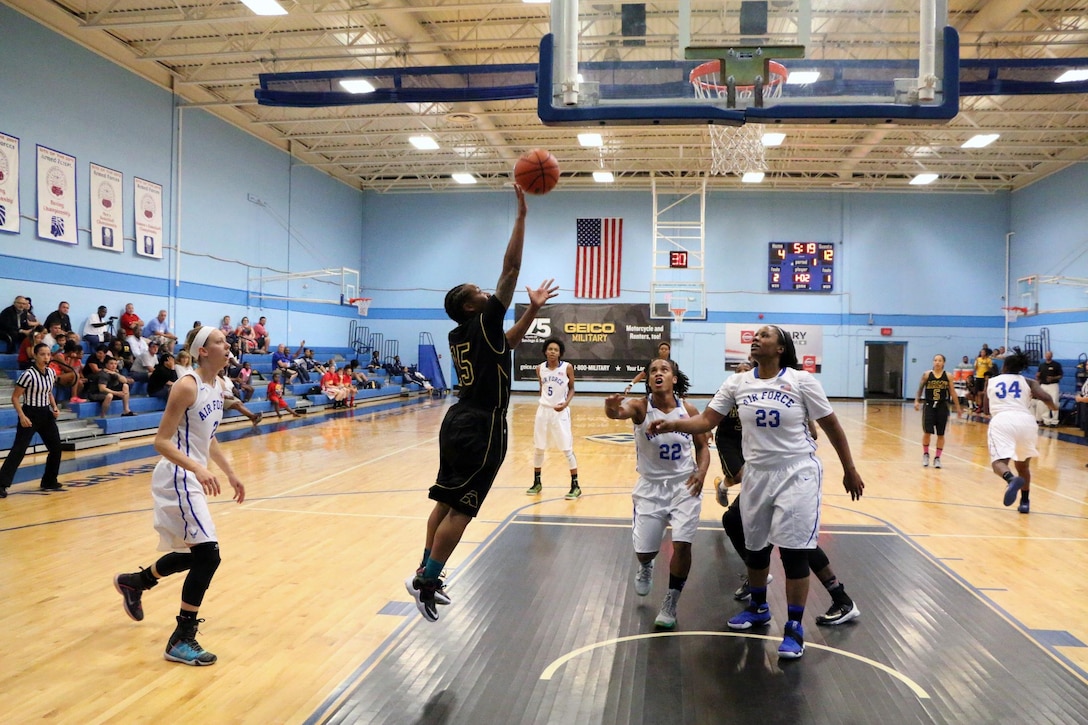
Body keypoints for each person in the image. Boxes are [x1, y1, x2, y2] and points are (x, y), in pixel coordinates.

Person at [648, 324, 865, 659]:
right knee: (756, 546)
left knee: (794, 552)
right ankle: (759, 607)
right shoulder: (737, 383)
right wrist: (673, 423)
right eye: (756, 335)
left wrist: (849, 469)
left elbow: (831, 425)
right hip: (757, 475)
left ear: (780, 348)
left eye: (765, 335)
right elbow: (706, 420)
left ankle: (794, 628)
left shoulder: (801, 381)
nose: (756, 338)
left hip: (797, 473)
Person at [405, 185, 558, 623]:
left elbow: (508, 344)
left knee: (445, 502)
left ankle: (423, 567)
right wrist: (522, 216)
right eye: (480, 291)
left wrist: (531, 310)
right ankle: (429, 581)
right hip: (483, 423)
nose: (488, 292)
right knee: (464, 508)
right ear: (471, 305)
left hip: (458, 419)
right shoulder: (482, 318)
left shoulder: (463, 333)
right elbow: (510, 267)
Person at [112, 326, 245, 666]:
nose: (226, 345)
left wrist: (229, 472)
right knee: (209, 555)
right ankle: (181, 639)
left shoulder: (219, 386)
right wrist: (198, 469)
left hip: (192, 475)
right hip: (177, 476)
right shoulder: (187, 385)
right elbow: (161, 441)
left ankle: (135, 582)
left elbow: (208, 437)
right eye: (219, 341)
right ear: (202, 351)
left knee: (195, 555)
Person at [712, 361, 860, 626]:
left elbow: (815, 431)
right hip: (756, 469)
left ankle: (838, 598)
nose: (742, 374)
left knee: (795, 543)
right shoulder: (734, 397)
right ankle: (758, 579)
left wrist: (847, 466)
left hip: (786, 473)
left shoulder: (789, 389)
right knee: (740, 524)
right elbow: (716, 431)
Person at [604, 357, 709, 630]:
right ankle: (646, 564)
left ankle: (671, 602)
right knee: (644, 552)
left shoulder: (688, 408)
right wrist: (611, 408)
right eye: (653, 371)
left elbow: (703, 447)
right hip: (651, 487)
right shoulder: (641, 407)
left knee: (683, 543)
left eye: (664, 370)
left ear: (674, 378)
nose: (658, 374)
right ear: (649, 380)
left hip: (684, 485)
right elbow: (618, 413)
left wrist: (701, 472)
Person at [987, 350, 1058, 514]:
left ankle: (1011, 480)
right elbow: (1046, 397)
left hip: (1003, 420)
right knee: (1023, 466)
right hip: (1026, 421)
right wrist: (1054, 408)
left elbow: (985, 406)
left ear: (1004, 366)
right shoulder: (1029, 382)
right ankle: (1025, 502)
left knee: (999, 462)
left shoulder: (992, 381)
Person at [0, 343, 64, 497]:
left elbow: (48, 392)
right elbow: (15, 397)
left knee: (56, 448)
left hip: (45, 414)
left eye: (48, 354)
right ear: (35, 356)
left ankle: (49, 481)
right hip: (30, 413)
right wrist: (22, 416)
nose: (46, 357)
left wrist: (54, 407)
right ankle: (1, 484)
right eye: (42, 354)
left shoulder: (51, 373)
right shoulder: (27, 375)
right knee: (19, 450)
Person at [527, 337, 581, 499]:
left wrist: (565, 404)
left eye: (556, 350)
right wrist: (545, 402)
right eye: (550, 349)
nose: (552, 352)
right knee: (539, 447)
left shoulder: (567, 368)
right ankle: (537, 482)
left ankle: (575, 485)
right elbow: (541, 387)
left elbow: (572, 389)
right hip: (543, 411)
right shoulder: (540, 369)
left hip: (560, 412)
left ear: (560, 353)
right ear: (545, 351)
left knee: (566, 448)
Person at [913, 354, 963, 468]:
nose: (937, 362)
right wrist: (917, 401)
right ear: (933, 362)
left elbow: (953, 392)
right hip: (929, 406)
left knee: (941, 434)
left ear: (943, 363)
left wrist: (958, 407)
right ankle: (926, 454)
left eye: (940, 360)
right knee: (927, 432)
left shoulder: (948, 376)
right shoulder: (926, 375)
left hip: (942, 406)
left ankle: (937, 458)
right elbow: (920, 389)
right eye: (935, 360)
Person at [1035, 350, 1063, 427]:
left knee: (1054, 402)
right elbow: (1038, 376)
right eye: (1046, 355)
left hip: (1053, 385)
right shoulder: (1041, 365)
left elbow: (1060, 376)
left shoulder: (1056, 365)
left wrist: (1053, 378)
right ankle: (1045, 420)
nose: (1047, 356)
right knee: (1042, 403)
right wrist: (1037, 377)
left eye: (1049, 355)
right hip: (1043, 385)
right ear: (1045, 356)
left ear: (1051, 356)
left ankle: (1054, 421)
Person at [973, 345, 995, 414]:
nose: (982, 353)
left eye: (983, 352)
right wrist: (976, 362)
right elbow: (975, 368)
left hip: (984, 378)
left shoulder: (988, 360)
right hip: (978, 376)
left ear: (985, 353)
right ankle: (977, 406)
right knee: (976, 392)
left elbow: (990, 368)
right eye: (981, 352)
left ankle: (982, 407)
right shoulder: (978, 359)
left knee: (983, 392)